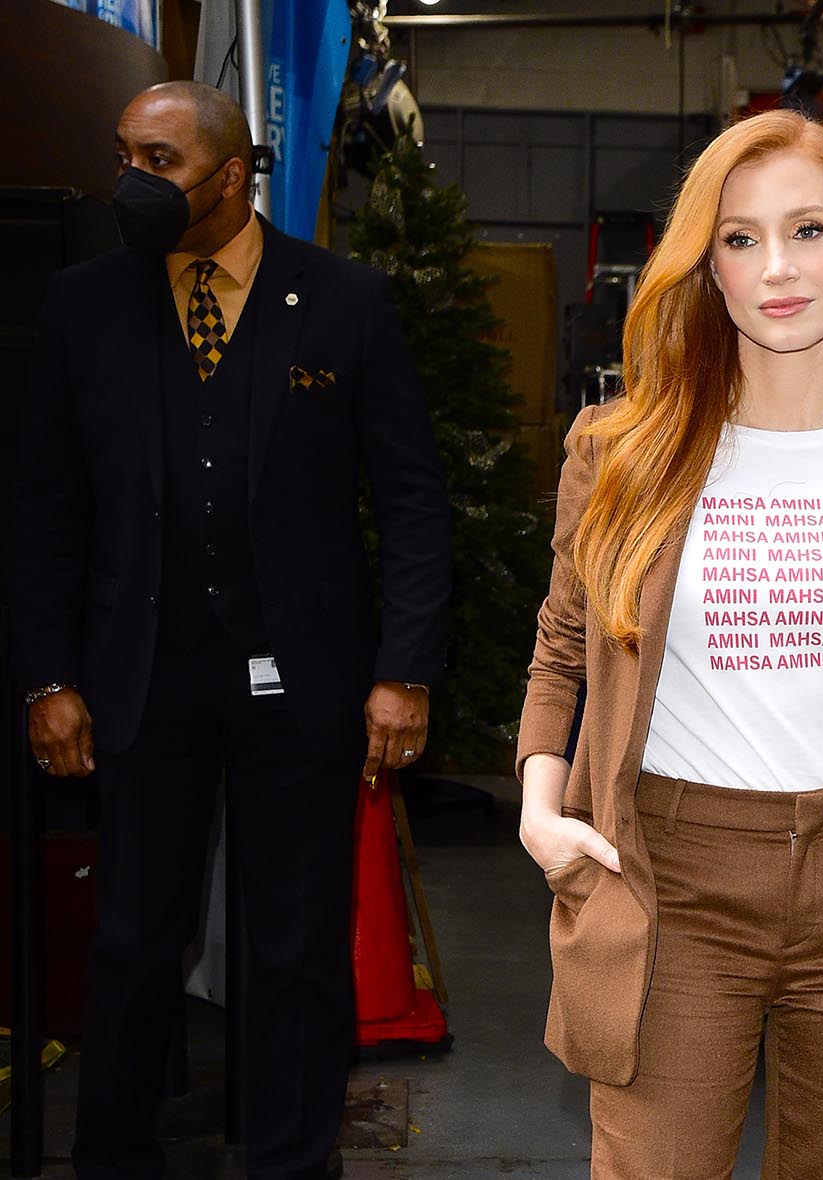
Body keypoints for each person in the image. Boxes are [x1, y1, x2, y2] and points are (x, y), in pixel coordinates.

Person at [517, 109, 823, 1180]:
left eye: (806, 229)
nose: (776, 267)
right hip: (671, 877)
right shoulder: (622, 449)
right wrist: (543, 812)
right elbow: (562, 647)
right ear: (708, 265)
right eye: (739, 238)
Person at [8, 81, 452, 1180]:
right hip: (140, 677)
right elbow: (43, 507)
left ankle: (293, 1160)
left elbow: (410, 501)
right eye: (124, 155)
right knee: (131, 940)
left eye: (157, 160)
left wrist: (404, 671)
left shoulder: (344, 300)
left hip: (304, 682)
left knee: (297, 944)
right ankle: (114, 1157)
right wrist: (46, 678)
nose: (131, 180)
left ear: (231, 173)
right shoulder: (84, 303)